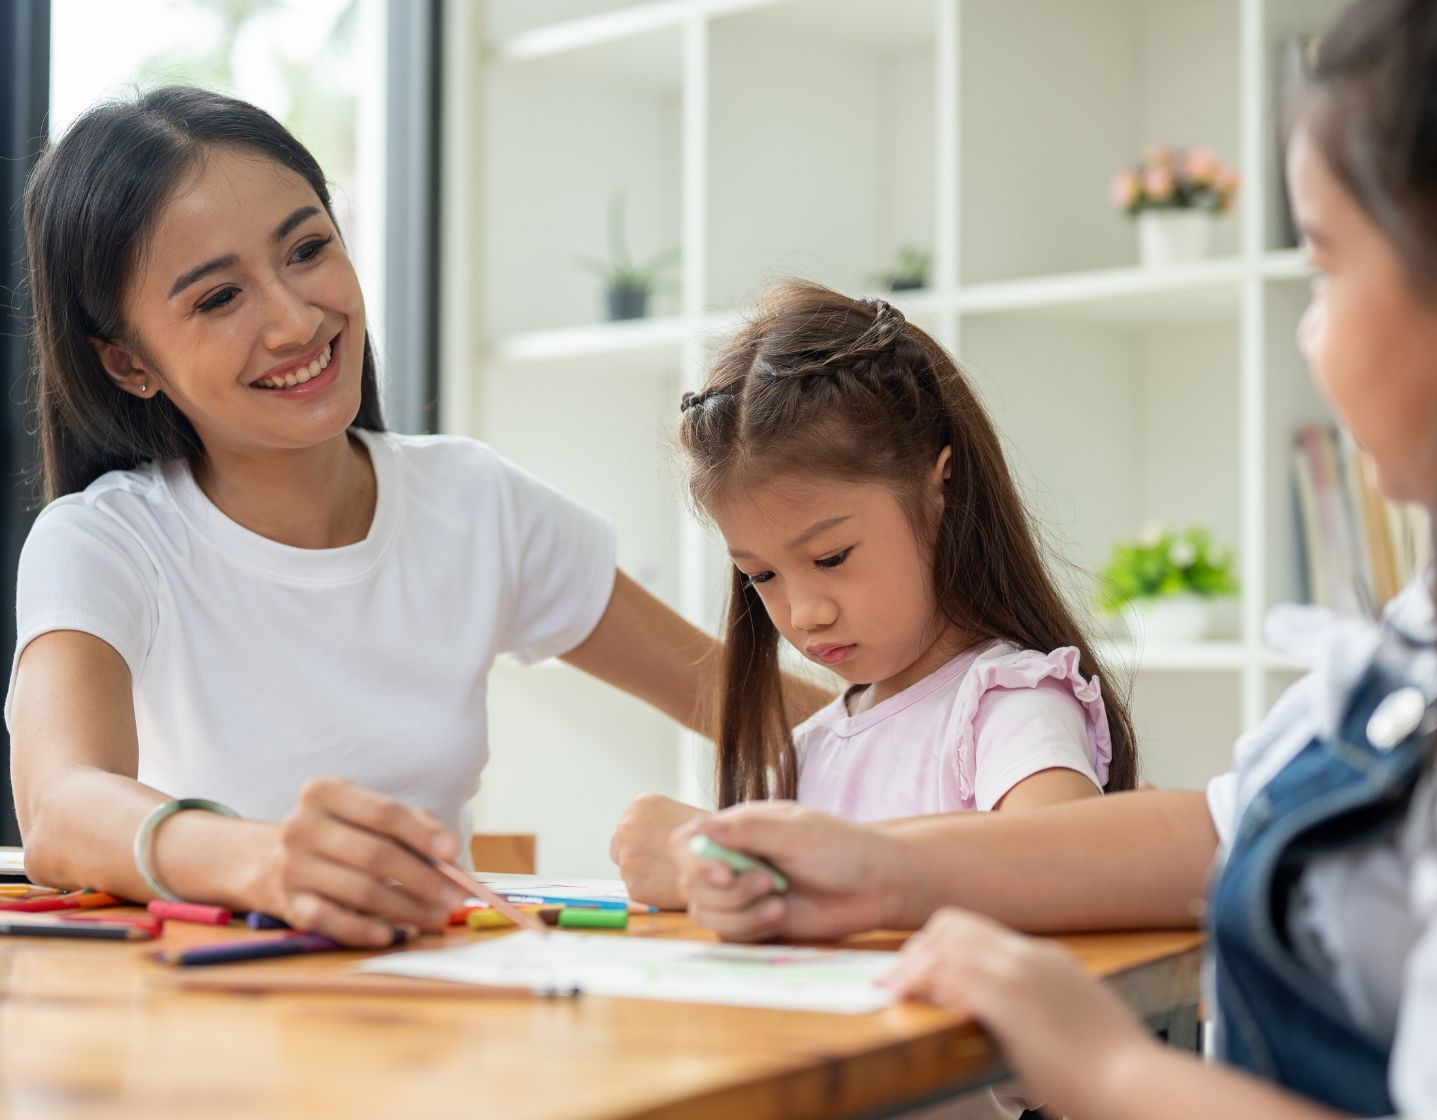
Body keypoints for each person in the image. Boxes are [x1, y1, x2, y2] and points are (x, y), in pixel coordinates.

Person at [670, 2, 1437, 1116]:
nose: (1310, 334)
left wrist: (1110, 1067)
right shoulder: (1410, 645)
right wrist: (881, 869)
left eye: (1323, 264)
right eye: (763, 574)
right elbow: (1217, 826)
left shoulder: (1005, 692)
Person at [2, 85, 827, 948]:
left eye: (308, 249)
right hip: (201, 1018)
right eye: (217, 299)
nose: (294, 319)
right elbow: (59, 809)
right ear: (130, 363)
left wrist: (965, 766)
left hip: (429, 1002)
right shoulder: (104, 542)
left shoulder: (473, 505)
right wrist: (268, 861)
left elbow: (744, 705)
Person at [612, 280, 1137, 909]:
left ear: (943, 486)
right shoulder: (816, 744)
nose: (805, 614)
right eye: (762, 576)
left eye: (831, 558)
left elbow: (1069, 872)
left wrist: (753, 865)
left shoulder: (1006, 704)